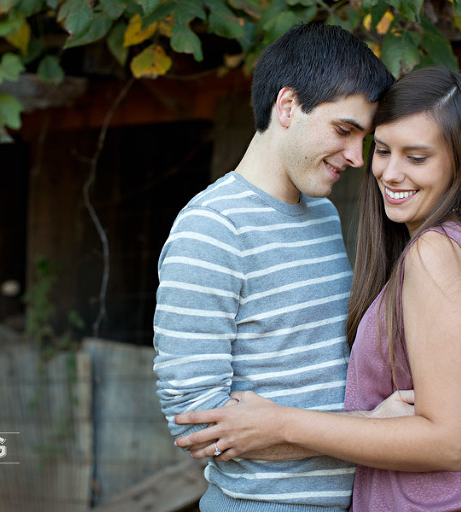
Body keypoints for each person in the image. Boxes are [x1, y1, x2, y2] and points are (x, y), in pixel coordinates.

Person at [174, 66, 461, 511]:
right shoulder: (448, 245)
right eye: (382, 150)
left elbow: (447, 443)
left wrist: (281, 424)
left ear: (459, 160)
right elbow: (195, 419)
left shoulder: (433, 254)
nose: (389, 172)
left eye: (416, 157)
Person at [153, 22, 398, 512]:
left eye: (363, 139)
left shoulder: (324, 215)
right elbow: (198, 424)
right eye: (344, 130)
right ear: (287, 107)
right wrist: (366, 430)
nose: (356, 157)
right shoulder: (211, 229)